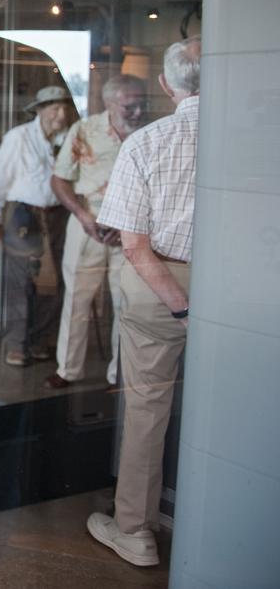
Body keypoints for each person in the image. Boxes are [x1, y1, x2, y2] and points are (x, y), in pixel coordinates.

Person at [87, 38, 200, 568]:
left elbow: (131, 242)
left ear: (165, 85)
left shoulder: (148, 142)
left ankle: (135, 531)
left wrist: (182, 307)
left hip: (160, 289)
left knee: (148, 412)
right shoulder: (260, 137)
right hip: (240, 293)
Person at [44, 74, 147, 389]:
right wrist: (81, 214)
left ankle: (119, 375)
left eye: (142, 104)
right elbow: (60, 179)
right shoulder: (84, 130)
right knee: (76, 298)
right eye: (131, 106)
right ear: (110, 102)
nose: (138, 112)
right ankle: (68, 370)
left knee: (126, 303)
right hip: (87, 222)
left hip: (130, 228)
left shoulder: (147, 134)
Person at [0, 85, 75, 367]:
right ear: (39, 110)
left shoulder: (68, 139)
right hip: (24, 216)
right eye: (54, 108)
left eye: (64, 108)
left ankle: (39, 339)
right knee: (20, 281)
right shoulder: (19, 137)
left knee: (53, 283)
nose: (60, 114)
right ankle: (16, 344)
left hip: (58, 215)